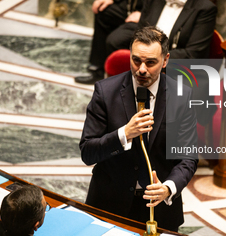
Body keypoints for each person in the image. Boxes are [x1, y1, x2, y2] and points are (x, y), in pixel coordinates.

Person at [79, 26, 198, 232]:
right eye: (136, 60)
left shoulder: (182, 96)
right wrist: (124, 133)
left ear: (165, 60)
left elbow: (188, 158)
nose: (141, 69)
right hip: (109, 205)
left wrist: (168, 188)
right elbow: (88, 152)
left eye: (150, 62)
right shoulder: (105, 92)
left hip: (159, 209)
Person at [105, 0, 217, 66]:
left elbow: (194, 54)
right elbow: (140, 33)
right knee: (115, 41)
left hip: (176, 66)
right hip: (146, 60)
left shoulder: (205, 8)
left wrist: (153, 57)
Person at [74, 0, 165, 85]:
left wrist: (145, 13)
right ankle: (98, 70)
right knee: (104, 12)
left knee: (115, 40)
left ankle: (122, 83)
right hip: (129, 7)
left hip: (151, 13)